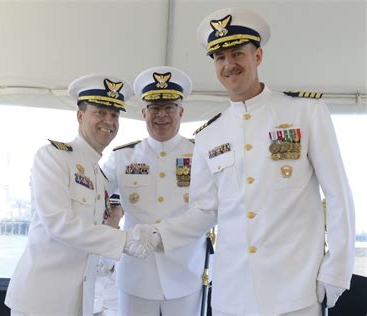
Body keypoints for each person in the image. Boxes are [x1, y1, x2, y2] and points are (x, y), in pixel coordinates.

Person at [137, 7, 356, 316]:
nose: (229, 65)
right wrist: (160, 233)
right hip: (232, 293)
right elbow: (204, 211)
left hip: (295, 291)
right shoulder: (209, 135)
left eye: (237, 53)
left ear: (258, 56)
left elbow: (338, 196)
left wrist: (336, 270)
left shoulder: (305, 113)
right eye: (220, 58)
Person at [5, 74, 147, 316]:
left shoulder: (99, 176)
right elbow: (59, 224)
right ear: (80, 116)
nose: (109, 121)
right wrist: (124, 241)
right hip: (40, 302)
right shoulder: (53, 157)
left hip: (78, 303)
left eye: (114, 115)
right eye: (100, 112)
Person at [102, 66, 205, 315]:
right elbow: (95, 194)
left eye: (169, 107)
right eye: (154, 108)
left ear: (181, 112)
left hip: (185, 272)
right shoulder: (123, 157)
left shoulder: (201, 154)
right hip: (136, 275)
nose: (161, 115)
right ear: (143, 113)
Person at [94, 194, 124, 316]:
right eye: (105, 205)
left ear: (123, 212)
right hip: (89, 306)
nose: (109, 210)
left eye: (114, 206)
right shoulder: (85, 238)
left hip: (115, 308)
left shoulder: (131, 243)